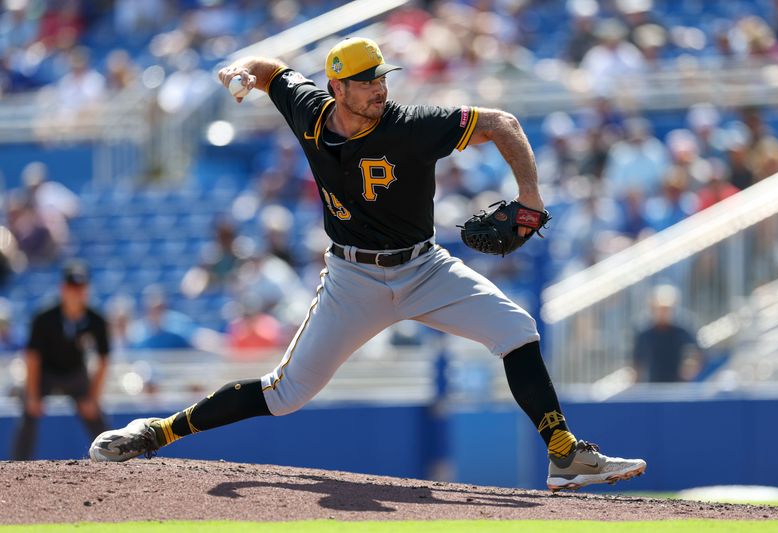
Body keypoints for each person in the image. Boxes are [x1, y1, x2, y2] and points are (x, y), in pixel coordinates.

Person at [90, 37, 646, 491]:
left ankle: (564, 453)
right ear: (337, 88)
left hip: (424, 269)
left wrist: (531, 199)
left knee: (517, 330)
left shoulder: (410, 124)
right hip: (352, 276)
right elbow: (270, 70)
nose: (380, 88)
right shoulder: (310, 111)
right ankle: (158, 431)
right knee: (284, 396)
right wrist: (239, 69)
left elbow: (502, 122)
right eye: (366, 80)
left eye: (382, 76)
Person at [11, 260, 110, 460]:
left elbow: (103, 359)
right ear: (63, 289)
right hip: (45, 374)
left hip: (75, 373)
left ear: (87, 289)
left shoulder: (96, 320)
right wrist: (32, 395)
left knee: (96, 417)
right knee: (28, 413)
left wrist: (93, 396)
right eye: (72, 287)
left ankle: (114, 457)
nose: (76, 292)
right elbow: (32, 358)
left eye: (81, 287)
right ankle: (17, 465)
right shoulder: (44, 318)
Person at [633, 285, 702, 383]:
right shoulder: (644, 333)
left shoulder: (683, 331)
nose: (663, 312)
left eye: (667, 309)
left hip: (679, 387)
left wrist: (689, 370)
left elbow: (696, 353)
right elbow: (638, 362)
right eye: (660, 308)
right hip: (653, 386)